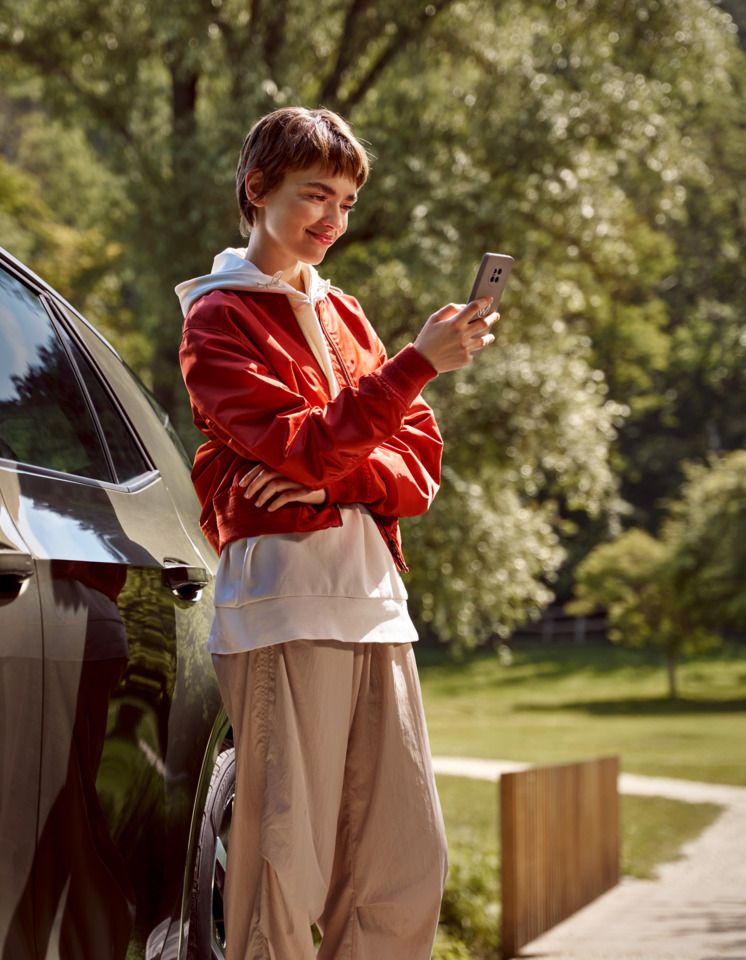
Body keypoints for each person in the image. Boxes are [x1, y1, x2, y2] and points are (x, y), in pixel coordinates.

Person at [175, 106, 497, 960]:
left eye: (348, 203)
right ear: (257, 188)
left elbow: (417, 465)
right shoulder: (216, 320)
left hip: (377, 608)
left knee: (401, 869)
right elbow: (310, 442)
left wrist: (330, 471)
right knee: (281, 870)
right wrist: (414, 367)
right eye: (317, 195)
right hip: (286, 609)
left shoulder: (348, 315)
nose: (334, 220)